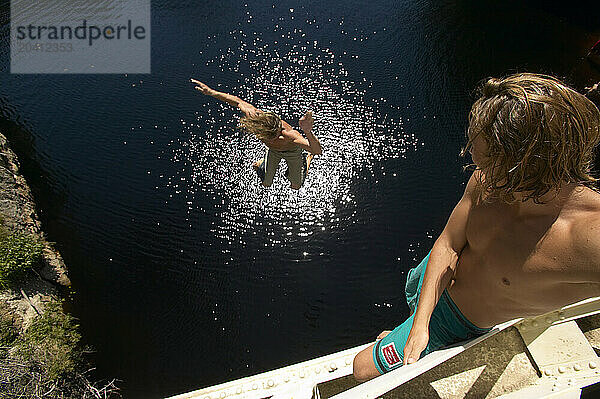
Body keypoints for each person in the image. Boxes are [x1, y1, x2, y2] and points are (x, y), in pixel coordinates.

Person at [353, 73, 600, 381]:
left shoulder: (588, 238)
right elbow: (448, 244)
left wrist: (428, 325)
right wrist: (419, 324)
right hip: (434, 276)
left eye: (486, 161)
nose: (474, 165)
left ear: (524, 163)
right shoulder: (488, 181)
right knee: (412, 303)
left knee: (362, 368)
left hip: (459, 320)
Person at [190, 79, 322, 189]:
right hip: (274, 151)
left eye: (277, 134)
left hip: (291, 153)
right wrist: (212, 92)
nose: (276, 136)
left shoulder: (289, 135)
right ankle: (264, 163)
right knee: (266, 184)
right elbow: (237, 101)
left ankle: (305, 160)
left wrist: (307, 132)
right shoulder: (255, 118)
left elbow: (317, 151)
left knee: (296, 186)